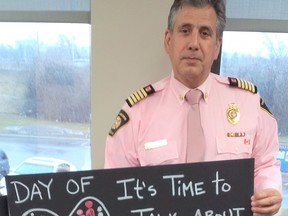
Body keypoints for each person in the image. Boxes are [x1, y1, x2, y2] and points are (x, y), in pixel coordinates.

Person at [104, 0, 282, 215]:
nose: (194, 43)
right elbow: (115, 188)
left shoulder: (249, 102)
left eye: (205, 33)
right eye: (185, 30)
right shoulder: (136, 113)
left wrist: (268, 190)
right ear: (168, 41)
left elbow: (265, 163)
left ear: (216, 46)